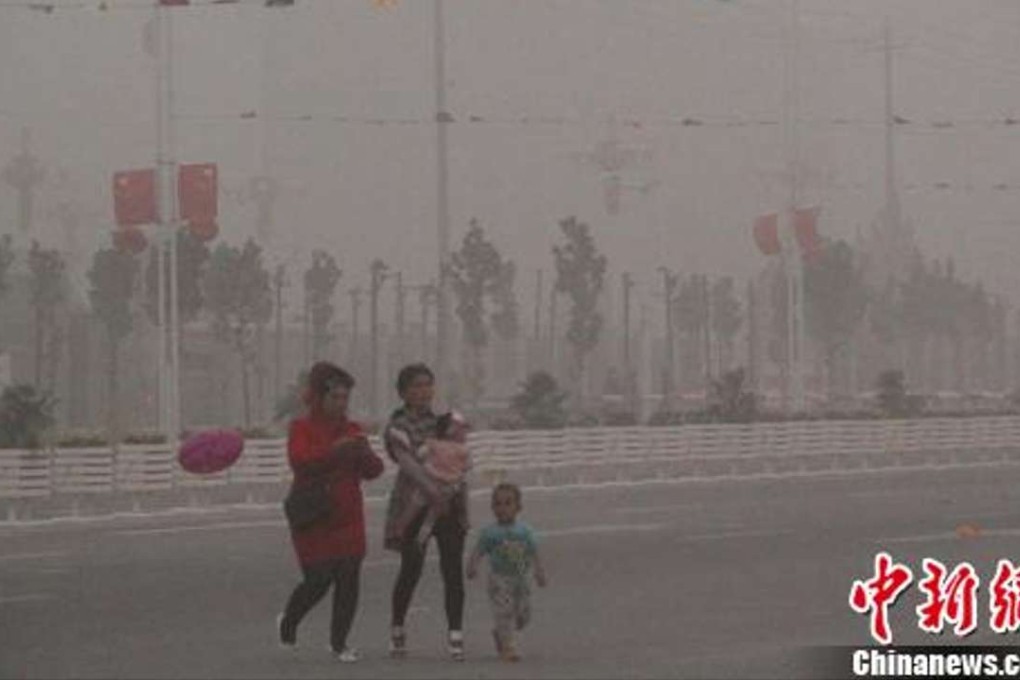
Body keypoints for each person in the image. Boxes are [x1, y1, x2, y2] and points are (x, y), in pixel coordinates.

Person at [277, 361, 384, 663]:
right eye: (334, 397)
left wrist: (363, 451)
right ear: (318, 397)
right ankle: (290, 620)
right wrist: (336, 450)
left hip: (348, 517)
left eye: (345, 398)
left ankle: (340, 643)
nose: (340, 403)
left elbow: (374, 470)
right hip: (313, 515)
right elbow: (301, 462)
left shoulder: (352, 430)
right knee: (318, 579)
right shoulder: (301, 428)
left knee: (349, 579)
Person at [382, 363, 470, 661]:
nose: (424, 391)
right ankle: (397, 627)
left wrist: (456, 495)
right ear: (403, 392)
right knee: (411, 569)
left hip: (449, 505)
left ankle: (456, 634)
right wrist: (432, 491)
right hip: (414, 507)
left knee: (452, 569)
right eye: (416, 386)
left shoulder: (443, 424)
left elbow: (459, 460)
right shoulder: (397, 427)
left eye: (427, 385)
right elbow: (408, 464)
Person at [466, 482, 547, 662]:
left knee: (523, 614)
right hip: (499, 579)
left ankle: (501, 632)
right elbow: (479, 550)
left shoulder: (525, 531)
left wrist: (539, 571)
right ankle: (508, 647)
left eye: (508, 503)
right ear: (492, 507)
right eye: (498, 504)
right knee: (504, 612)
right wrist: (472, 565)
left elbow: (534, 551)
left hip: (521, 578)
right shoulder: (490, 532)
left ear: (518, 507)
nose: (502, 508)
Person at [396, 410, 472, 548]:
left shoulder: (433, 444)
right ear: (451, 431)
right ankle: (422, 537)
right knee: (433, 514)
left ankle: (400, 527)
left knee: (414, 505)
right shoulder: (462, 450)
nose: (464, 434)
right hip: (448, 486)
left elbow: (420, 454)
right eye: (462, 430)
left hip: (429, 481)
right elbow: (467, 466)